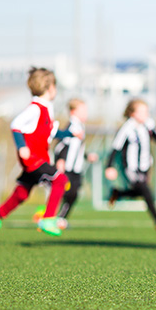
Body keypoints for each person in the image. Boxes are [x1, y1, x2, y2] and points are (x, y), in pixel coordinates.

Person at [0, 67, 75, 240]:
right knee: (60, 180)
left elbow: (51, 132)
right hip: (32, 157)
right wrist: (21, 146)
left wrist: (70, 134)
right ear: (49, 88)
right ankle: (48, 219)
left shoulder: (47, 108)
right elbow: (16, 124)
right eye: (55, 86)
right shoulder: (35, 108)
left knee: (22, 193)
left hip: (39, 157)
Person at [104, 99, 156, 231]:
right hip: (131, 168)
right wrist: (109, 166)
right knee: (146, 190)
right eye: (142, 111)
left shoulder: (148, 124)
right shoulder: (126, 128)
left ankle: (118, 193)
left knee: (139, 191)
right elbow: (115, 148)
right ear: (132, 114)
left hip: (145, 166)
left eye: (147, 111)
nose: (146, 114)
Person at [53, 98, 98, 229]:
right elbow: (61, 145)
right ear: (73, 112)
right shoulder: (72, 126)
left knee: (73, 193)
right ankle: (51, 216)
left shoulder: (80, 126)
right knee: (67, 192)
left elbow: (77, 147)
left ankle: (60, 218)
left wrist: (87, 155)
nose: (86, 113)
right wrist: (60, 159)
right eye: (83, 110)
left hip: (76, 168)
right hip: (68, 168)